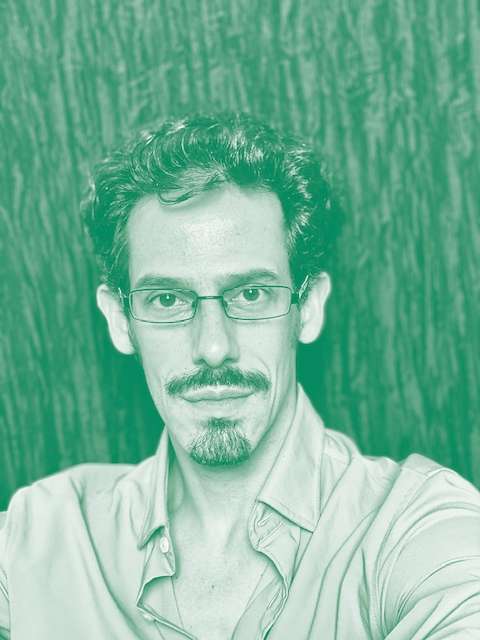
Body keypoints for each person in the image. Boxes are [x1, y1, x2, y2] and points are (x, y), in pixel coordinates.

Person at [1, 113, 479, 640]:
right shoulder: (39, 537)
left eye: (251, 294)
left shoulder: (416, 529)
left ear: (309, 307)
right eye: (167, 300)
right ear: (120, 320)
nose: (213, 348)